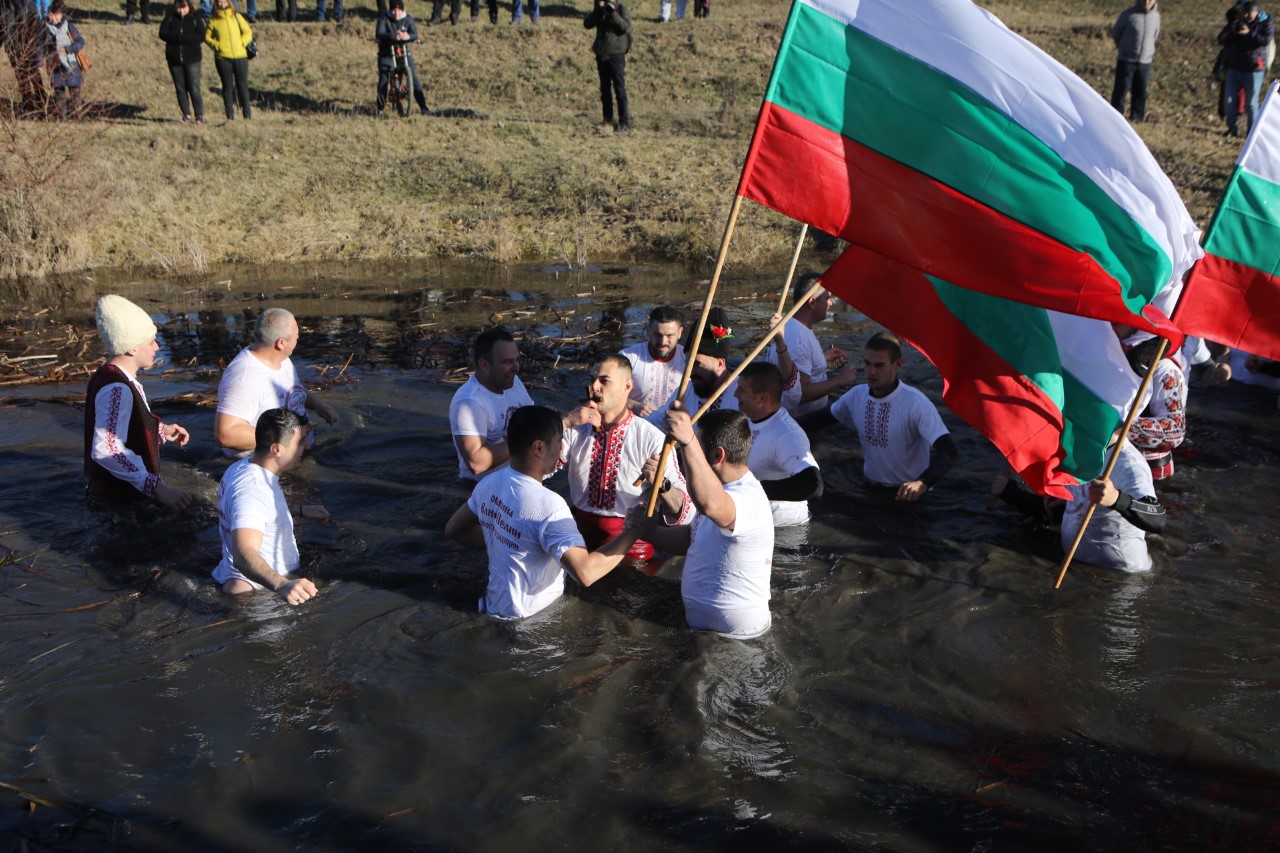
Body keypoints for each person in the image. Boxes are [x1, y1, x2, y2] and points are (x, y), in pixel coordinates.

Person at [444, 405, 645, 619]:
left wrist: (507, 540)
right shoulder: (550, 506)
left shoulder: (488, 484)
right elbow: (585, 573)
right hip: (534, 622)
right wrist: (633, 532)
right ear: (538, 448)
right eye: (559, 441)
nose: (562, 448)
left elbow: (453, 530)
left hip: (492, 608)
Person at [631, 407, 774, 639]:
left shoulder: (749, 498)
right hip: (704, 632)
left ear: (717, 456)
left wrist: (687, 440)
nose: (686, 456)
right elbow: (692, 539)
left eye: (697, 448)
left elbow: (711, 505)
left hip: (740, 639)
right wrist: (649, 532)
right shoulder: (721, 489)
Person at [559, 355, 692, 555]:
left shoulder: (651, 438)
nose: (594, 386)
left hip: (630, 546)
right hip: (579, 540)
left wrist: (662, 484)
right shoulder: (575, 428)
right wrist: (565, 423)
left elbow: (687, 511)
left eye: (604, 381)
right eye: (591, 380)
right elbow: (536, 468)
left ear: (627, 386)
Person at [806, 332, 958, 501]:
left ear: (898, 364)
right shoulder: (856, 395)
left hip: (909, 497)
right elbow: (819, 419)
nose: (871, 371)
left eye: (879, 365)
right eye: (867, 363)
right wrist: (777, 425)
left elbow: (949, 452)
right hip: (869, 490)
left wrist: (922, 483)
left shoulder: (916, 403)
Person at [84, 295, 195, 510]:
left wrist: (159, 431)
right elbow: (106, 448)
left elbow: (127, 426)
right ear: (132, 347)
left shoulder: (114, 377)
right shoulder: (117, 388)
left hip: (118, 500)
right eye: (151, 341)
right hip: (120, 505)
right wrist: (156, 488)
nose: (157, 347)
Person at [213, 408, 330, 602]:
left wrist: (297, 511)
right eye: (300, 442)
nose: (306, 447)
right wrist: (282, 585)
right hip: (260, 595)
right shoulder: (254, 491)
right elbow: (243, 554)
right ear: (276, 449)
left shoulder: (241, 468)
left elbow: (252, 514)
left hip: (254, 586)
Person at [214, 308, 339, 456]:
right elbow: (226, 435)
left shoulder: (281, 359)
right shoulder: (244, 377)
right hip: (262, 467)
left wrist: (318, 405)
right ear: (281, 343)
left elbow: (292, 388)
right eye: (296, 337)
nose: (297, 341)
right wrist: (287, 438)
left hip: (295, 455)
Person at [734, 362, 822, 527]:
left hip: (785, 531)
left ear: (763, 398)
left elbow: (813, 485)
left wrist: (753, 489)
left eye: (742, 390)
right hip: (754, 521)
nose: (735, 394)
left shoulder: (787, 435)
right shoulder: (748, 419)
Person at [450, 326, 535, 481]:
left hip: (517, 475)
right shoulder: (469, 402)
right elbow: (476, 463)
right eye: (508, 362)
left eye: (517, 360)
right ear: (484, 365)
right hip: (483, 489)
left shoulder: (512, 381)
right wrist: (526, 439)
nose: (516, 368)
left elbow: (531, 416)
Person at [778, 273, 857, 417]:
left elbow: (800, 365)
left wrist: (821, 358)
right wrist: (840, 380)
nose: (831, 303)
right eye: (827, 298)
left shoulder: (795, 326)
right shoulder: (798, 339)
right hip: (804, 423)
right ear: (812, 302)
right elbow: (800, 394)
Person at [644, 307, 739, 426]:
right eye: (687, 363)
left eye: (697, 364)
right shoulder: (686, 390)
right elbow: (657, 421)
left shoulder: (741, 394)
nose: (689, 373)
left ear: (720, 364)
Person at [1121, 332, 1186, 481]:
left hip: (1148, 470)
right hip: (1103, 460)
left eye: (1117, 324)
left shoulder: (1164, 368)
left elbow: (1174, 431)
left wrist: (1115, 424)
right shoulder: (1105, 352)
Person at [1219, 1, 1273, 137]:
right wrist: (1234, 31)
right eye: (1245, 12)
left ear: (1257, 12)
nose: (1247, 16)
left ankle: (1252, 133)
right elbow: (1221, 39)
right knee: (1229, 101)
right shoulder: (1237, 21)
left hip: (1254, 68)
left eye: (1250, 13)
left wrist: (1248, 33)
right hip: (1235, 66)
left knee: (1251, 103)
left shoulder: (1265, 22)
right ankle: (1232, 129)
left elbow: (1265, 40)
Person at [621, 305, 684, 417]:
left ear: (680, 333)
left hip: (673, 429)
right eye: (658, 335)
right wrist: (631, 405)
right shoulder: (628, 358)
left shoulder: (688, 360)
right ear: (649, 330)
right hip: (637, 427)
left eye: (670, 335)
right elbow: (608, 396)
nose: (663, 341)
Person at [376, 0, 429, 115]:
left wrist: (407, 36)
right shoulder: (384, 18)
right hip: (387, 53)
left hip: (402, 53)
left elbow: (414, 34)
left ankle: (423, 107)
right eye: (394, 10)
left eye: (399, 10)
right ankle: (380, 108)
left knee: (414, 78)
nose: (396, 13)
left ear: (402, 10)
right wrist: (392, 36)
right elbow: (379, 33)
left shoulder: (408, 19)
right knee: (383, 79)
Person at [1109, 0, 1159, 122]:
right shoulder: (1128, 15)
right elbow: (1116, 33)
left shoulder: (1156, 17)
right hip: (1126, 60)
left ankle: (1137, 118)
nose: (1147, 2)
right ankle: (1115, 118)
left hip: (1145, 62)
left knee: (1140, 92)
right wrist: (1124, 48)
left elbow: (1155, 35)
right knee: (1121, 90)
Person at [584, 0, 630, 132]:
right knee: (605, 89)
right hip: (602, 54)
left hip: (616, 55)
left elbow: (625, 28)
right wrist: (598, 10)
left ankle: (624, 122)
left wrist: (612, 13)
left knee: (619, 89)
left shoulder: (621, 8)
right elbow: (587, 24)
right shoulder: (599, 8)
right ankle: (607, 119)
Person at [158, 0, 205, 123]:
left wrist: (183, 38)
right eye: (178, 8)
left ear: (189, 6)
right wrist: (177, 37)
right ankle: (186, 115)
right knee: (180, 88)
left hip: (192, 59)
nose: (181, 10)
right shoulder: (170, 17)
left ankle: (199, 116)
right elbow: (162, 33)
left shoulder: (196, 18)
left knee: (194, 88)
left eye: (183, 7)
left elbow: (201, 36)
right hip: (174, 59)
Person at [204, 0, 252, 121]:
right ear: (216, 4)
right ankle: (230, 116)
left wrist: (242, 42)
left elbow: (247, 31)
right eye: (219, 2)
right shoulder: (213, 20)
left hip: (240, 56)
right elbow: (207, 37)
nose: (222, 3)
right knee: (227, 87)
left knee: (242, 86)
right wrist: (217, 45)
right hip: (222, 58)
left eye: (224, 1)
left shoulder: (237, 16)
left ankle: (247, 115)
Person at [1, 0, 46, 116]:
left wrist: (32, 42)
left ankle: (42, 102)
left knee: (32, 71)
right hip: (13, 42)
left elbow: (34, 19)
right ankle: (28, 103)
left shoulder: (27, 4)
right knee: (21, 74)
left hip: (26, 41)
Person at [39, 0, 83, 119]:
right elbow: (40, 46)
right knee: (59, 94)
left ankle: (77, 118)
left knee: (75, 94)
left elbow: (80, 42)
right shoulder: (46, 29)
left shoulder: (69, 26)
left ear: (59, 14)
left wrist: (69, 49)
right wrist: (40, 62)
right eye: (50, 15)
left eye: (53, 15)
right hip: (55, 64)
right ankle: (61, 117)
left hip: (71, 64)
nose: (51, 18)